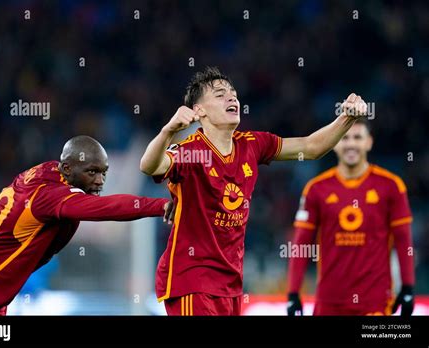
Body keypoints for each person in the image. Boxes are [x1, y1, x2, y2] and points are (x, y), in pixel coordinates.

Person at [140, 66, 368, 316]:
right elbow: (149, 165)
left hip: (231, 284)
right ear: (199, 110)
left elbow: (310, 147)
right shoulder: (190, 151)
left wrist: (346, 118)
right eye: (220, 94)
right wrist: (168, 131)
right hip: (191, 280)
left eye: (234, 94)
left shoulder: (252, 144)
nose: (232, 98)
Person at [0, 135, 173, 316]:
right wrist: (161, 205)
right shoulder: (51, 197)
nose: (100, 181)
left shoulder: (46, 173)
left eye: (103, 172)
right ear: (67, 168)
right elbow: (107, 207)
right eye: (91, 172)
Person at [287, 119, 415, 316]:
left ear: (369, 142)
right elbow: (300, 245)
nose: (351, 144)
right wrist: (293, 293)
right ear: (334, 142)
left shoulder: (391, 186)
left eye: (358, 137)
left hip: (375, 301)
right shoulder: (316, 189)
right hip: (329, 301)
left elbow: (403, 240)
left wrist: (408, 287)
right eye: (344, 138)